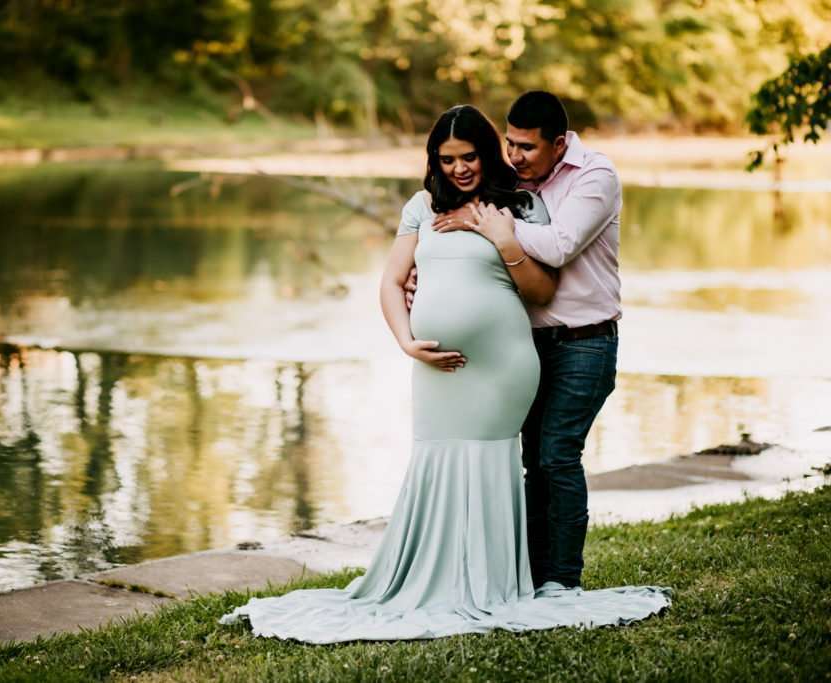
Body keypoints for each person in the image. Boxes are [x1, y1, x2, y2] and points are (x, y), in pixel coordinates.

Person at [219, 105, 668, 644]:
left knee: (532, 460)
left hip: (503, 368)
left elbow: (544, 291)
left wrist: (496, 234)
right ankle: (442, 577)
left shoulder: (520, 205)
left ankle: (528, 582)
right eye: (447, 159)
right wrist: (408, 340)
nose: (459, 169)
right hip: (434, 370)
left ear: (487, 154)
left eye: (470, 156)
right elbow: (391, 281)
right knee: (446, 459)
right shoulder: (421, 207)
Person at [427, 91, 622, 591]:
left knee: (558, 454)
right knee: (532, 462)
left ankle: (563, 582)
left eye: (527, 147)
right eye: (509, 144)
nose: (514, 156)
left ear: (558, 144)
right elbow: (473, 238)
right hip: (524, 348)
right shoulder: (514, 184)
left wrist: (492, 227)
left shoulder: (595, 177)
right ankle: (531, 578)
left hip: (584, 343)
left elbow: (558, 246)